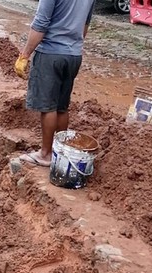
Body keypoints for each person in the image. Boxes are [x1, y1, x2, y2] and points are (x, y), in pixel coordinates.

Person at [15, 0, 95, 166]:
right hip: (74, 55)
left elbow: (40, 24)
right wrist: (73, 46)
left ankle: (45, 154)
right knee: (61, 106)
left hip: (51, 53)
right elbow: (85, 25)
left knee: (48, 106)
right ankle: (61, 152)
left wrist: (25, 54)